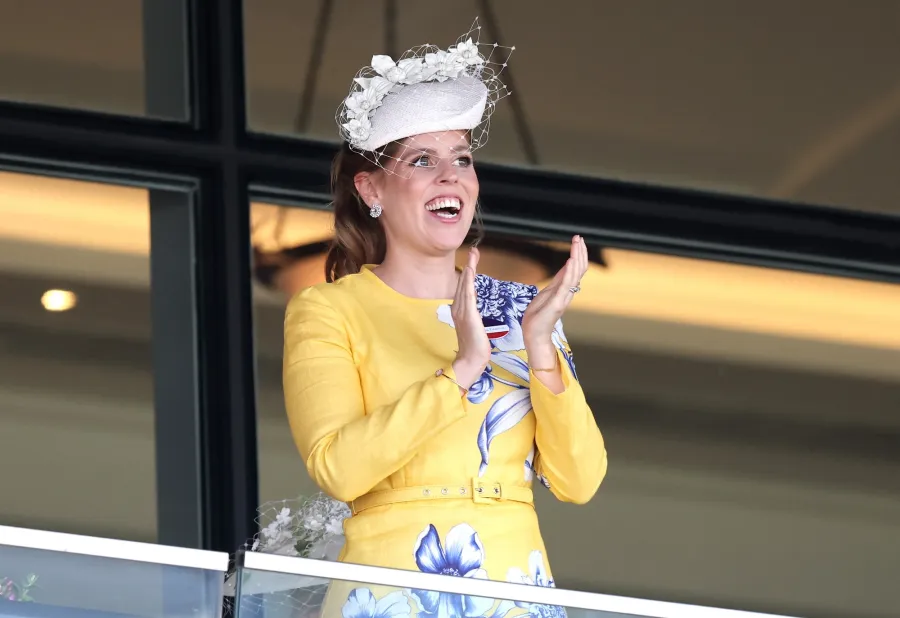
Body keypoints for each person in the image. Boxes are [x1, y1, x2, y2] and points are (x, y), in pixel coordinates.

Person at [281, 20, 607, 618]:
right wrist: (460, 371)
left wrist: (539, 346)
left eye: (462, 158)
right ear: (370, 188)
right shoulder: (330, 309)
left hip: (514, 586)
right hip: (392, 587)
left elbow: (580, 481)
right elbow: (339, 468)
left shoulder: (520, 309)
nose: (450, 174)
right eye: (423, 159)